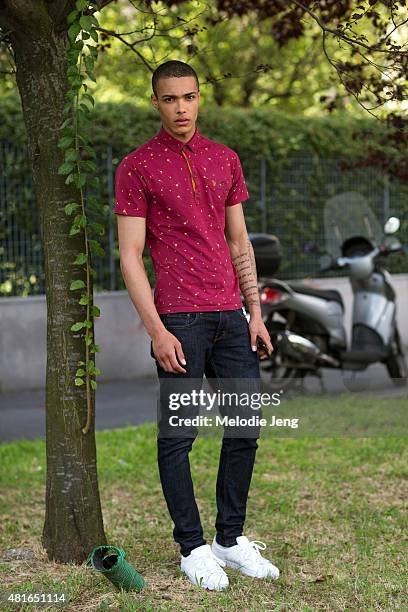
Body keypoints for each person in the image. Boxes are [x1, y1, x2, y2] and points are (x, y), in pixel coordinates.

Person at [114, 60, 279, 591]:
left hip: (232, 317)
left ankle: (229, 539)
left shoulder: (224, 159)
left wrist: (254, 312)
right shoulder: (136, 167)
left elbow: (239, 242)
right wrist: (157, 330)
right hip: (179, 319)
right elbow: (131, 257)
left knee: (246, 428)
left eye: (188, 97)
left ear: (199, 97)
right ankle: (191, 547)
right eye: (170, 99)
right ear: (156, 102)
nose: (181, 108)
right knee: (180, 436)